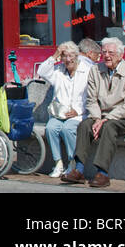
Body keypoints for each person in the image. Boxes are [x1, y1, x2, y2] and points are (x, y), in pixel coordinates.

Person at [63, 38, 125, 188]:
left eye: (111, 53)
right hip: (101, 115)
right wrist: (98, 118)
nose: (106, 56)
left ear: (120, 55)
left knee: (109, 127)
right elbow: (91, 100)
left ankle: (103, 173)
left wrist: (105, 120)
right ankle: (79, 170)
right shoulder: (95, 70)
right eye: (104, 52)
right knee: (85, 125)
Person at [34, 41, 92, 178]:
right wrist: (56, 54)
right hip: (60, 114)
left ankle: (73, 163)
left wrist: (78, 110)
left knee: (68, 129)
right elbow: (41, 71)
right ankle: (58, 163)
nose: (68, 59)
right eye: (65, 56)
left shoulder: (86, 71)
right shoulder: (58, 71)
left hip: (78, 114)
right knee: (51, 128)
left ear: (77, 56)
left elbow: (90, 95)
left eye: (71, 55)